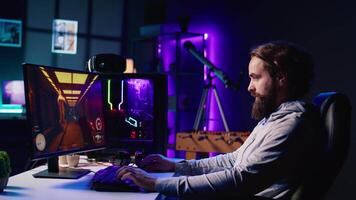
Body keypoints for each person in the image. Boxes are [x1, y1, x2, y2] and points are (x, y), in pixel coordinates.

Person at [116, 41, 320, 199]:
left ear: (281, 78)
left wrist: (155, 184)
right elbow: (234, 160)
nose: (249, 87)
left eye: (256, 77)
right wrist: (175, 167)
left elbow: (240, 179)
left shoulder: (290, 125)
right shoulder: (275, 118)